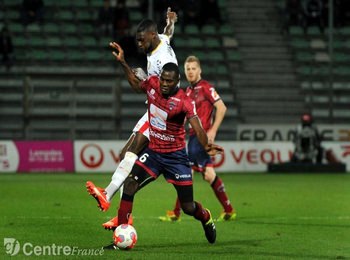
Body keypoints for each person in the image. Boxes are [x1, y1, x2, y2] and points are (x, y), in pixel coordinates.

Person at [107, 43, 222, 244]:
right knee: (130, 184)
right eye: (163, 80)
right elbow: (136, 85)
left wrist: (206, 145)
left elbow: (197, 127)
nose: (165, 84)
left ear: (178, 81)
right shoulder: (152, 84)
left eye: (169, 81)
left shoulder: (184, 101)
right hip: (154, 153)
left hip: (176, 157)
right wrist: (124, 63)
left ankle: (205, 217)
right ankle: (120, 235)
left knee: (187, 207)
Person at [86, 9, 178, 228]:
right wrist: (171, 22)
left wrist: (126, 66)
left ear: (151, 36)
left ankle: (107, 195)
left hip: (163, 113)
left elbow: (142, 89)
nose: (138, 43)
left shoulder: (161, 61)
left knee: (131, 154)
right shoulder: (161, 40)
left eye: (141, 39)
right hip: (155, 110)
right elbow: (168, 33)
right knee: (125, 156)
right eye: (137, 39)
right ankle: (120, 212)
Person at [159, 56, 237, 222]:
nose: (190, 72)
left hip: (199, 139)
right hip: (193, 138)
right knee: (207, 174)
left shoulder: (205, 88)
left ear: (199, 70)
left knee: (186, 173)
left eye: (193, 68)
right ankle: (228, 209)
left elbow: (221, 107)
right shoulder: (187, 91)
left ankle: (176, 213)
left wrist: (213, 130)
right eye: (188, 69)